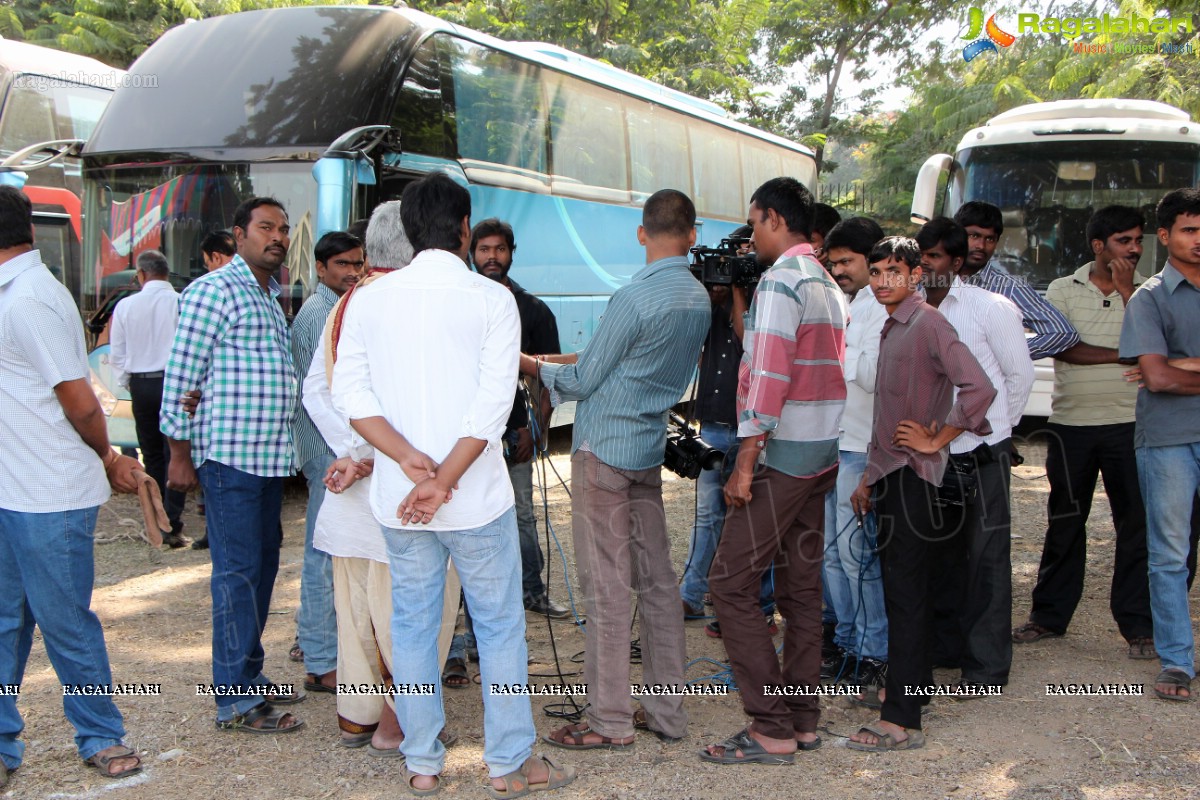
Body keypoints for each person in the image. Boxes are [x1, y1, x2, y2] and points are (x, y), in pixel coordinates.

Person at [332, 172, 575, 796]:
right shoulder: (490, 299)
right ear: (465, 230)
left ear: (410, 232)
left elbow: (349, 398)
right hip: (477, 497)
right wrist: (442, 478)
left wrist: (410, 461)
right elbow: (494, 406)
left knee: (411, 625)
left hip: (399, 497)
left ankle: (421, 761)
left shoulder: (368, 300)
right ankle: (509, 764)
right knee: (498, 626)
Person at [520, 189, 709, 751]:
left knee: (605, 588)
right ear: (692, 235)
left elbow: (582, 381)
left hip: (603, 449)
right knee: (656, 584)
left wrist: (528, 362)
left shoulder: (635, 296)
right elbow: (618, 363)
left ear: (641, 232)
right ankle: (667, 712)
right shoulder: (698, 297)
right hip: (648, 445)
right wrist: (560, 363)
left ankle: (609, 720)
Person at [0, 185, 145, 786]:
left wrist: (109, 455)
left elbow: (80, 399)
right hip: (13, 489)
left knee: (64, 622)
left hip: (50, 493)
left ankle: (102, 734)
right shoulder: (13, 293)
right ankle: (5, 742)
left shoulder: (31, 298)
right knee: (5, 621)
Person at [305, 202, 462, 753]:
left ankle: (359, 715)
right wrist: (377, 455)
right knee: (416, 607)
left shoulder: (347, 302)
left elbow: (320, 394)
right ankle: (400, 721)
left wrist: (353, 451)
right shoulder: (423, 300)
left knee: (357, 607)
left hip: (357, 489)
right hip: (415, 487)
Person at [701, 177, 847, 765]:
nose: (750, 234)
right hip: (822, 456)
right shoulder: (827, 282)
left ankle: (770, 727)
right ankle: (803, 720)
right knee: (801, 589)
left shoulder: (783, 280)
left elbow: (768, 376)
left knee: (730, 585)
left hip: (783, 457)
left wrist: (745, 459)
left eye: (754, 222)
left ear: (771, 219)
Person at [847, 237, 995, 752]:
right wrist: (868, 475)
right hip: (889, 473)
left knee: (906, 596)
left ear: (915, 276)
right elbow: (883, 415)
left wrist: (937, 437)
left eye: (895, 270)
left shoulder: (929, 322)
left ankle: (901, 719)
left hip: (916, 475)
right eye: (877, 271)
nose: (884, 280)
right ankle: (913, 688)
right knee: (902, 592)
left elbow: (978, 386)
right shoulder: (891, 325)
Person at [162, 196, 304, 733]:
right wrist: (179, 454)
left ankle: (248, 674)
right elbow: (182, 377)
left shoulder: (268, 294)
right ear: (238, 233)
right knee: (238, 576)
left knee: (262, 570)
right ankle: (235, 700)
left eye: (284, 230)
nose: (278, 237)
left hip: (266, 459)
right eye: (266, 227)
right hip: (229, 459)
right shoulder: (213, 291)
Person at [1013, 205, 1155, 659]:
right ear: (1099, 245)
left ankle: (1138, 626)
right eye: (1124, 241)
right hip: (1071, 426)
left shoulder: (1148, 291)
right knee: (1064, 524)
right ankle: (1049, 617)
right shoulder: (1061, 288)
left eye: (1138, 240)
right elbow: (1065, 346)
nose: (1134, 248)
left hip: (1132, 425)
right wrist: (1127, 355)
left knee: (1135, 528)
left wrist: (1131, 292)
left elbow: (1155, 342)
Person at [917, 218, 1033, 693]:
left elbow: (1018, 378)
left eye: (934, 258)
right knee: (939, 557)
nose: (924, 267)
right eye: (919, 259)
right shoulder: (909, 310)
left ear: (958, 262)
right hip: (931, 455)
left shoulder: (991, 309)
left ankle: (985, 669)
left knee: (987, 560)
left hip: (982, 451)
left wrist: (996, 433)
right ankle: (945, 651)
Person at [1118, 188, 1200, 702]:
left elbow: (1167, 373)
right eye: (1190, 230)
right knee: (1169, 554)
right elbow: (1156, 377)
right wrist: (1167, 370)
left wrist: (1181, 365)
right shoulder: (1148, 298)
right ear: (1165, 236)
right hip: (1167, 439)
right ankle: (1176, 662)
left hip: (1173, 432)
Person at [470, 218, 569, 620]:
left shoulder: (534, 310)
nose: (492, 257)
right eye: (484, 249)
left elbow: (548, 379)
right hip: (464, 436)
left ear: (512, 252)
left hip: (515, 434)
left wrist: (536, 429)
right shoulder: (459, 302)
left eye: (500, 249)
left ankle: (533, 591)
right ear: (471, 251)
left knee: (523, 513)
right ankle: (468, 603)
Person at [679, 224, 775, 636]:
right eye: (732, 254)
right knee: (708, 516)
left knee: (752, 519)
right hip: (716, 421)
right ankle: (690, 594)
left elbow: (745, 335)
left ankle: (757, 603)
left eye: (743, 253)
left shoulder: (767, 296)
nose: (733, 262)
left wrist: (737, 290)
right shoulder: (711, 297)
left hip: (753, 425)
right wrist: (709, 292)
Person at [290, 230, 364, 694]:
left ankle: (320, 646)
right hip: (328, 448)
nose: (353, 272)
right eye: (342, 265)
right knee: (323, 554)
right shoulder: (322, 314)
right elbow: (331, 393)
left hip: (339, 448)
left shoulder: (341, 308)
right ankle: (319, 660)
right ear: (320, 269)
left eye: (358, 263)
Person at [818, 217, 888, 690]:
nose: (839, 270)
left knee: (855, 553)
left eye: (847, 261)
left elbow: (868, 376)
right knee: (829, 553)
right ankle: (846, 641)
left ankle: (872, 651)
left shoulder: (881, 307)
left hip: (863, 446)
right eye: (834, 262)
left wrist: (830, 350)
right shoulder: (849, 304)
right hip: (835, 441)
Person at [108, 248, 188, 547]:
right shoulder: (181, 302)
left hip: (141, 384)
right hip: (175, 383)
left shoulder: (126, 306)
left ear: (141, 274)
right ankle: (173, 520)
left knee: (151, 453)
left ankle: (157, 520)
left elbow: (117, 353)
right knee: (175, 451)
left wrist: (129, 383)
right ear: (167, 272)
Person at [953, 201, 1080, 359]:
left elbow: (1063, 333)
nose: (981, 245)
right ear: (957, 236)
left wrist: (1002, 355)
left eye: (990, 239)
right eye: (974, 236)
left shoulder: (1010, 288)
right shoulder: (931, 281)